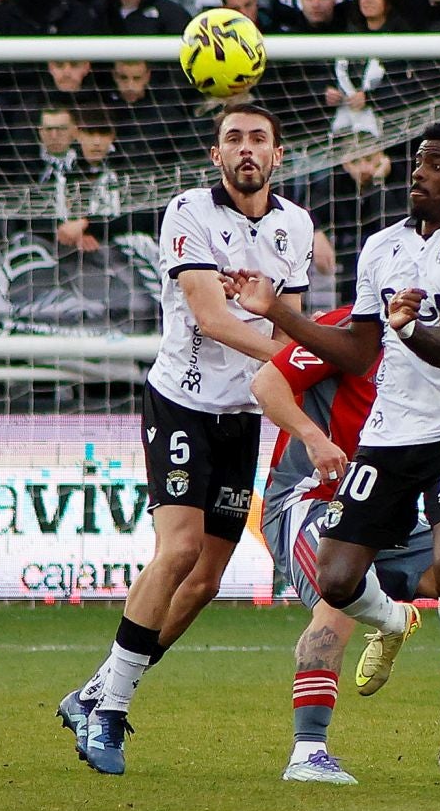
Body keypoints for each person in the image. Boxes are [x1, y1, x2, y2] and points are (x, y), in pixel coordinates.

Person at [233, 122, 440, 770]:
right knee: (337, 577)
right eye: (417, 161)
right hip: (390, 438)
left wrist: (408, 326)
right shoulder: (382, 248)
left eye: (436, 164)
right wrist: (278, 311)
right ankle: (392, 620)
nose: (419, 172)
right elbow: (359, 349)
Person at [57, 104, 312, 776]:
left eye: (259, 137)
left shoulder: (295, 226)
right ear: (216, 154)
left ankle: (92, 690)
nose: (247, 148)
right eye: (234, 139)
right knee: (178, 550)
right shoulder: (188, 213)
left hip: (243, 413)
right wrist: (284, 345)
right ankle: (111, 710)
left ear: (278, 154)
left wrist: (288, 342)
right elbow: (209, 314)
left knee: (205, 582)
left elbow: (295, 322)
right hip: (181, 402)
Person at [255, 310, 440, 785]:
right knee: (338, 600)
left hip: (380, 509)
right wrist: (313, 438)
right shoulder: (355, 330)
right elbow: (267, 383)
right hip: (310, 499)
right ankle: (308, 751)